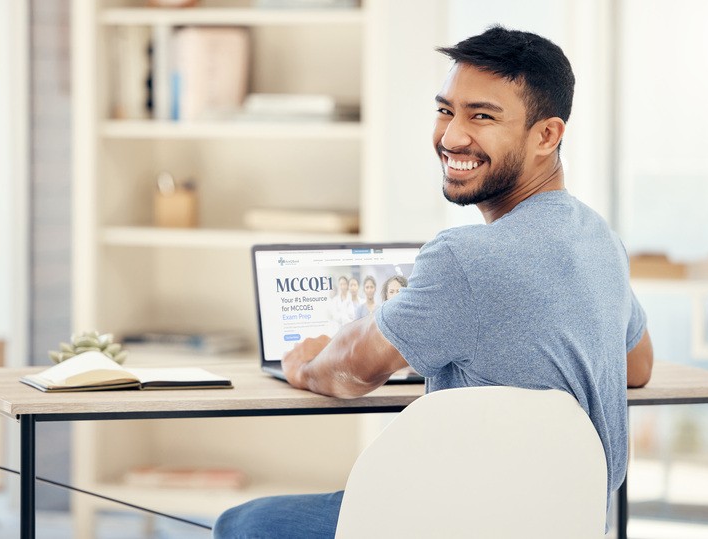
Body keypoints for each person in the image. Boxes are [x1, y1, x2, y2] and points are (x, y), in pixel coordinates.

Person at [213, 25, 653, 539]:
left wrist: (306, 364)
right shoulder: (600, 240)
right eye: (446, 110)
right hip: (565, 523)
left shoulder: (466, 256)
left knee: (241, 523)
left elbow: (355, 368)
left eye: (482, 116)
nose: (451, 136)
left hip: (451, 521)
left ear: (547, 135)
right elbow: (637, 367)